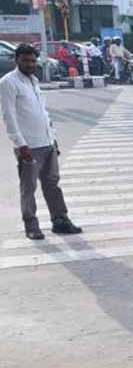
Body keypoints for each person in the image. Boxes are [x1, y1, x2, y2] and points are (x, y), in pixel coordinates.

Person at [1, 44, 83, 240]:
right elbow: (9, 117)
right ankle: (31, 226)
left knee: (52, 184)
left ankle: (60, 221)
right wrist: (21, 145)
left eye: (33, 61)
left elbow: (43, 113)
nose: (30, 64)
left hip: (47, 143)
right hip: (28, 146)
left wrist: (53, 139)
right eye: (25, 61)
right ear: (17, 60)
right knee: (28, 188)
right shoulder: (8, 83)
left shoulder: (34, 80)